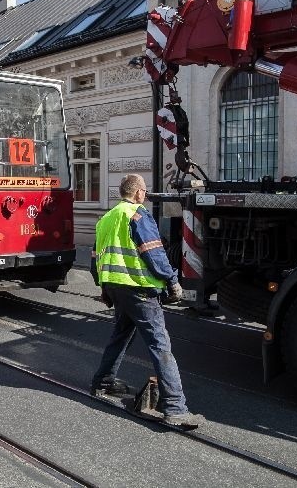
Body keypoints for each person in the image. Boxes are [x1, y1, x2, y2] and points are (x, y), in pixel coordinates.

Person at [91, 173, 203, 428]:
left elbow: (94, 259)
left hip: (116, 287)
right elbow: (154, 253)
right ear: (139, 193)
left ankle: (103, 382)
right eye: (144, 192)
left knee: (120, 335)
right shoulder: (138, 215)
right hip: (139, 289)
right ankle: (175, 407)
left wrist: (104, 287)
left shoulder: (105, 219)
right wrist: (172, 281)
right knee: (160, 344)